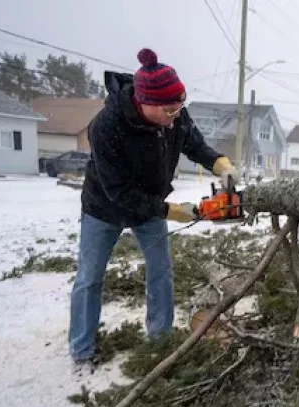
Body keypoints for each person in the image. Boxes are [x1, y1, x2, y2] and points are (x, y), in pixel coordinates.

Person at [69, 48, 238, 374]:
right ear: (145, 103)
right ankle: (81, 350)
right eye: (170, 110)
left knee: (161, 270)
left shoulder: (175, 114)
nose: (176, 116)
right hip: (103, 207)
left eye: (179, 108)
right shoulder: (105, 126)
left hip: (151, 206)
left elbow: (195, 145)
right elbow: (118, 191)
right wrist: (169, 210)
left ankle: (160, 339)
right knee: (90, 277)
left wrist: (220, 164)